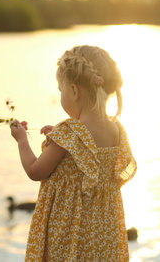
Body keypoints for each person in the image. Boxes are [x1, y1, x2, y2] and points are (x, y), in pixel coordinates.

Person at [10, 45, 137, 261]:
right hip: (102, 233)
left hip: (71, 232)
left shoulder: (70, 132)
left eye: (61, 90)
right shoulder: (116, 129)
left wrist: (22, 140)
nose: (61, 96)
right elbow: (89, 154)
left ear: (74, 91)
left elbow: (35, 171)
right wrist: (58, 137)